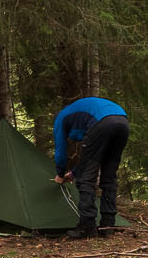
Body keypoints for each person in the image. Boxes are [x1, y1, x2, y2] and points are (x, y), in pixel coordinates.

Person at [50, 96, 129, 238]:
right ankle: (108, 225)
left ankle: (87, 227)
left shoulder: (61, 118)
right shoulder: (79, 112)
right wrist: (73, 173)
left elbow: (60, 150)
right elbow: (92, 157)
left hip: (102, 122)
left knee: (86, 179)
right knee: (109, 176)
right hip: (123, 121)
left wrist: (60, 174)